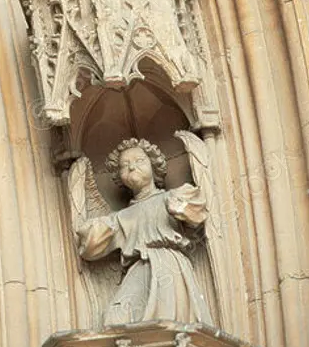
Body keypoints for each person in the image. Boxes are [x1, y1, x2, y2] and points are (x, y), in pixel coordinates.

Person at [75, 138, 212, 325]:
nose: (132, 167)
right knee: (115, 319)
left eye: (139, 161)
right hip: (138, 268)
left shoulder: (172, 197)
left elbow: (199, 216)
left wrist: (179, 209)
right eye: (125, 165)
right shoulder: (122, 217)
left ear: (154, 166)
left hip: (169, 265)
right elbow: (91, 248)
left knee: (169, 320)